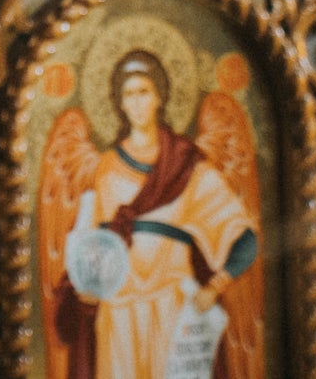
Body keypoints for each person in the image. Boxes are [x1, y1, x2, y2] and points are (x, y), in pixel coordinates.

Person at [53, 51, 259, 379]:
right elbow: (94, 242)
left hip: (173, 305)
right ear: (119, 103)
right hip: (119, 308)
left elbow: (245, 239)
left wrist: (215, 287)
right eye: (128, 95)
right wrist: (88, 284)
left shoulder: (189, 166)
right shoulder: (107, 168)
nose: (136, 103)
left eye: (143, 92)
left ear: (159, 98)